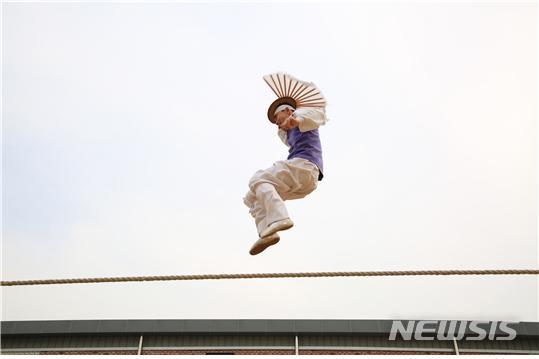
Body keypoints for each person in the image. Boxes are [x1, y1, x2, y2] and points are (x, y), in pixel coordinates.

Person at [243, 103, 328, 255]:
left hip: (305, 167)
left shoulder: (304, 116)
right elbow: (288, 137)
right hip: (302, 181)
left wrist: (297, 118)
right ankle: (267, 233)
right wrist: (284, 127)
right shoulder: (288, 131)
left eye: (276, 117)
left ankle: (280, 217)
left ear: (288, 110)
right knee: (252, 196)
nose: (275, 121)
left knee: (258, 178)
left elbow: (319, 115)